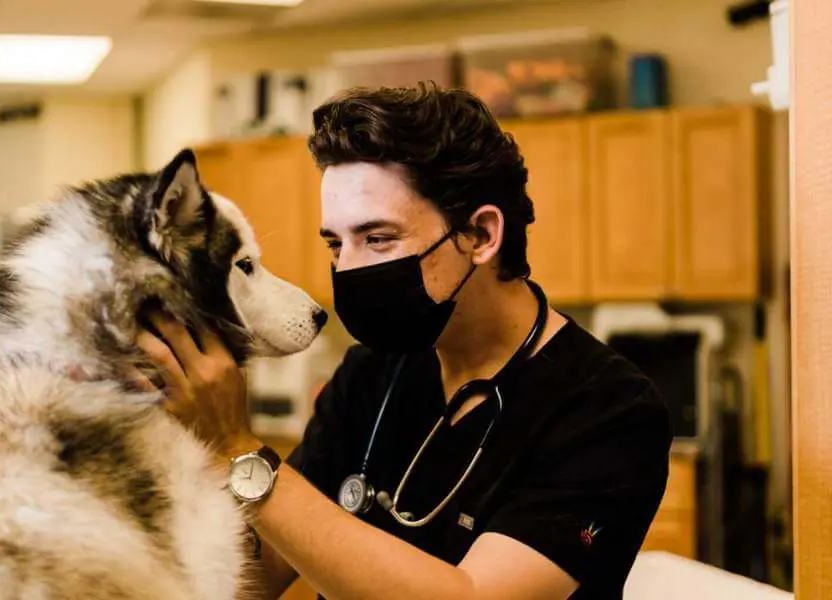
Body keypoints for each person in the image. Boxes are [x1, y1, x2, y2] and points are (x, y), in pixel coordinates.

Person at [136, 82, 674, 600]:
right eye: (335, 244)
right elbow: (260, 574)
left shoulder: (608, 409)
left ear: (481, 235)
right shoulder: (372, 372)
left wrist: (237, 450)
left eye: (377, 239)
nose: (347, 269)